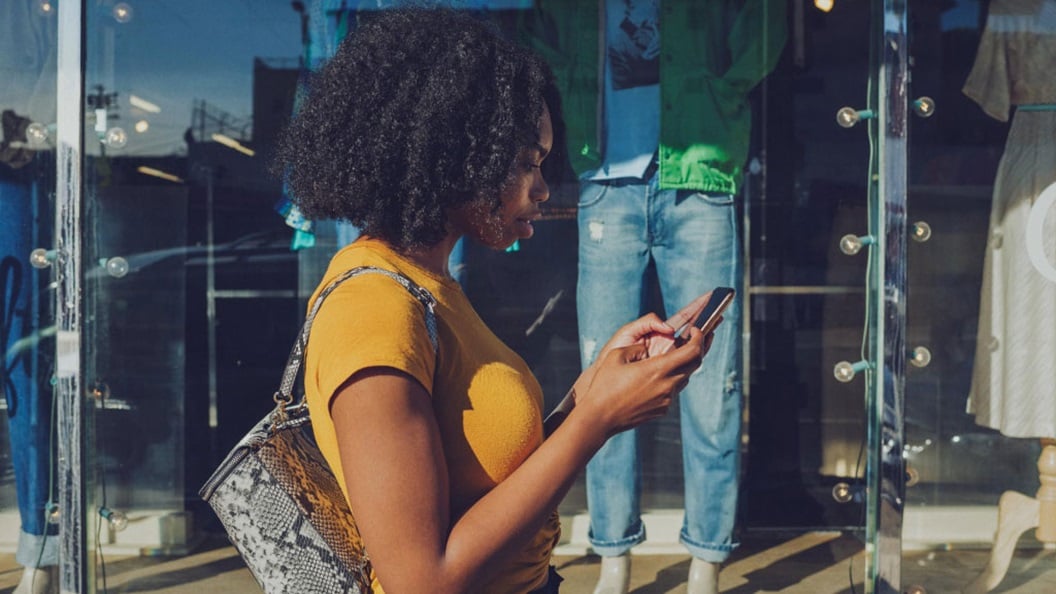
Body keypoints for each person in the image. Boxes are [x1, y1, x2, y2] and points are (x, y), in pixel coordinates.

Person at [273, 9, 717, 594]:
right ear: (453, 152)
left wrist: (595, 392)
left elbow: (484, 480)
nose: (542, 188)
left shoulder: (423, 283)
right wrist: (595, 420)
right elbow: (421, 581)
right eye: (525, 163)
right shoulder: (374, 310)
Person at [517, 2, 786, 592]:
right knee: (605, 379)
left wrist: (719, 91)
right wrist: (570, 100)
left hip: (699, 179)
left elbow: (764, 23)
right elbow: (537, 37)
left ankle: (707, 559)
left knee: (712, 382)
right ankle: (613, 553)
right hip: (606, 182)